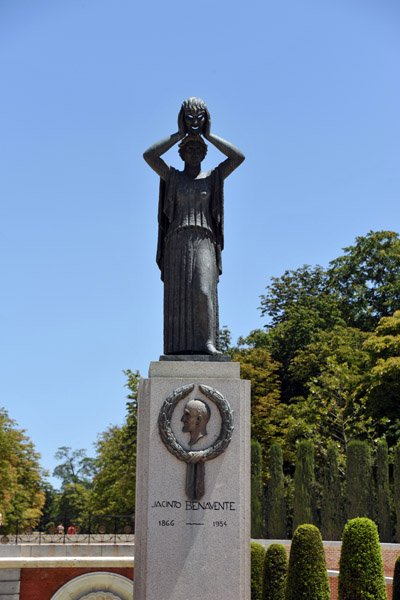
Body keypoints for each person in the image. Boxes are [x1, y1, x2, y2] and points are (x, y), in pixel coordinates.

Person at [143, 97, 245, 356]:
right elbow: (149, 155)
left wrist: (207, 134)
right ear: (181, 154)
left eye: (198, 150)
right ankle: (178, 347)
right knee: (178, 298)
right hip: (177, 241)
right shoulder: (173, 176)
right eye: (188, 150)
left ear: (204, 153)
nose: (193, 153)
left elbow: (238, 156)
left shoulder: (213, 178)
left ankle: (209, 342)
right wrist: (179, 133)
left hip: (204, 240)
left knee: (203, 290)